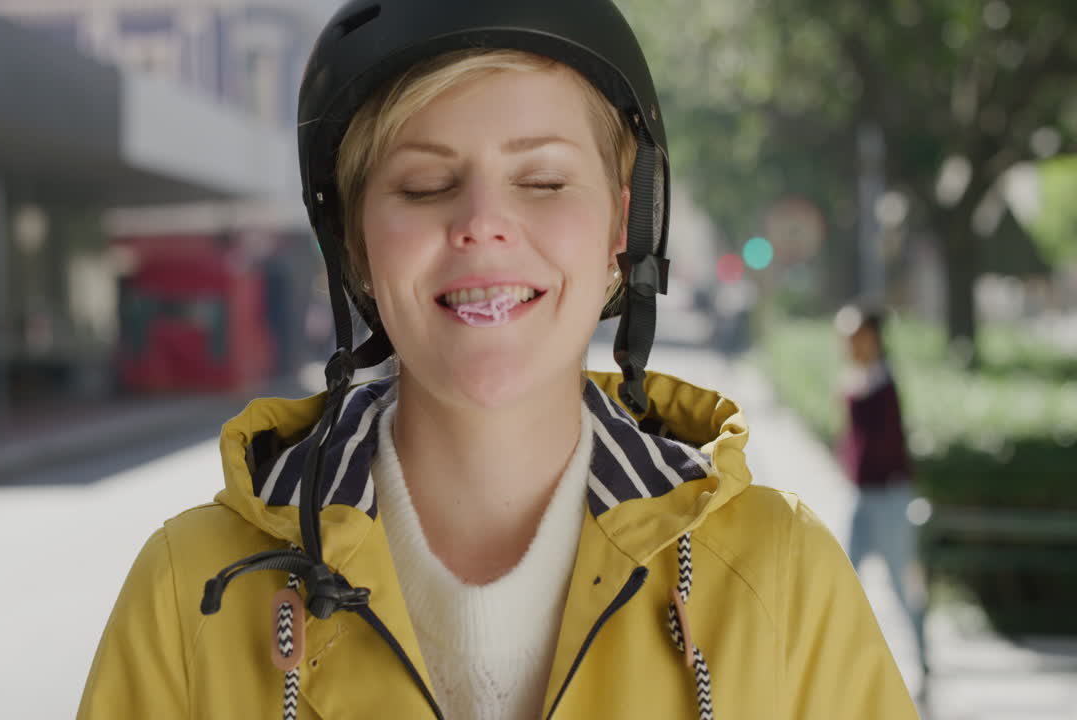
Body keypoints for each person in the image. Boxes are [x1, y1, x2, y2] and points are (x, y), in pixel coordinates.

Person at [79, 1, 919, 718]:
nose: (482, 223)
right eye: (422, 186)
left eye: (544, 182)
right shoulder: (187, 592)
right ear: (356, 247)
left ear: (622, 233)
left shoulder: (786, 577)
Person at [836, 303, 928, 673]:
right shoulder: (854, 379)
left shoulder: (883, 382)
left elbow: (887, 444)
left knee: (901, 587)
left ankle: (922, 662)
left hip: (889, 496)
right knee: (845, 576)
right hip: (862, 494)